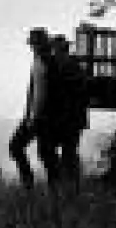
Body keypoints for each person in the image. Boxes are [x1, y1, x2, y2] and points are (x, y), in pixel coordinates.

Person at [41, 34, 90, 188]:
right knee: (58, 153)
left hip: (70, 120)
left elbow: (76, 96)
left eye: (56, 49)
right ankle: (62, 185)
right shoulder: (66, 66)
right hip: (67, 120)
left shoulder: (72, 68)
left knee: (66, 155)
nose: (54, 52)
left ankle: (67, 186)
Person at [9, 28, 51, 188]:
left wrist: (33, 118)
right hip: (40, 116)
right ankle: (52, 187)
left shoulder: (43, 62)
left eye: (34, 44)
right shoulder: (43, 61)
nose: (32, 47)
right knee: (46, 154)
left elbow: (41, 94)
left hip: (39, 117)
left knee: (17, 147)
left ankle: (29, 184)